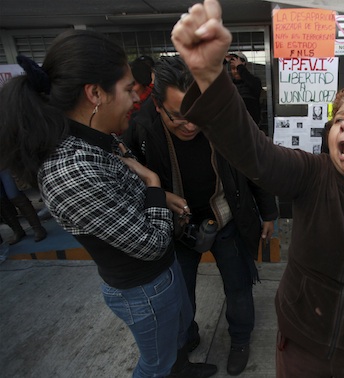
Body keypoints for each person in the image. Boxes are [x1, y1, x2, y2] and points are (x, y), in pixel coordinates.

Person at [171, 2, 344, 377]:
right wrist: (209, 76)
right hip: (300, 344)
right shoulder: (311, 174)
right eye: (339, 119)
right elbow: (256, 154)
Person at [0, 30, 217, 378]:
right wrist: (155, 185)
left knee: (175, 342)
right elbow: (152, 243)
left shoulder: (97, 138)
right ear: (95, 93)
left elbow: (126, 164)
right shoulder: (71, 171)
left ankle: (182, 367)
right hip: (144, 288)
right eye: (130, 88)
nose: (137, 99)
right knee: (154, 365)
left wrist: (152, 190)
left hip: (162, 273)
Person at [123, 55, 278, 376]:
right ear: (157, 103)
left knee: (238, 287)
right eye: (178, 117)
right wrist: (159, 196)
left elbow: (255, 165)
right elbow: (127, 180)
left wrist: (268, 211)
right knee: (179, 296)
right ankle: (186, 339)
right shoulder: (141, 127)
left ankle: (239, 339)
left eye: (198, 115)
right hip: (176, 226)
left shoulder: (227, 116)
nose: (191, 125)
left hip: (227, 216)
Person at [0, 169, 47, 244]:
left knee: (14, 195)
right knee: (2, 202)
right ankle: (17, 230)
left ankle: (37, 228)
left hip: (3, 165)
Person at [225, 51, 262, 125]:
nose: (235, 71)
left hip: (250, 125)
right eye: (233, 68)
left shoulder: (254, 81)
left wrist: (240, 67)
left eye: (237, 68)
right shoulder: (230, 85)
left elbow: (254, 86)